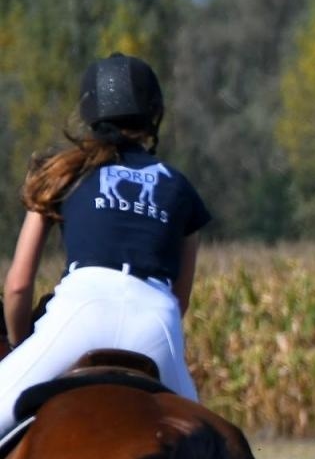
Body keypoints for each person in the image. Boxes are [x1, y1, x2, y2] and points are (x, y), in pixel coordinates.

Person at [0, 53, 209, 437]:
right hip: (156, 322)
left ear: (90, 113)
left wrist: (19, 343)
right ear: (153, 116)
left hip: (81, 313)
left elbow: (17, 285)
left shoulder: (63, 172)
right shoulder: (179, 187)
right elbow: (180, 301)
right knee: (211, 453)